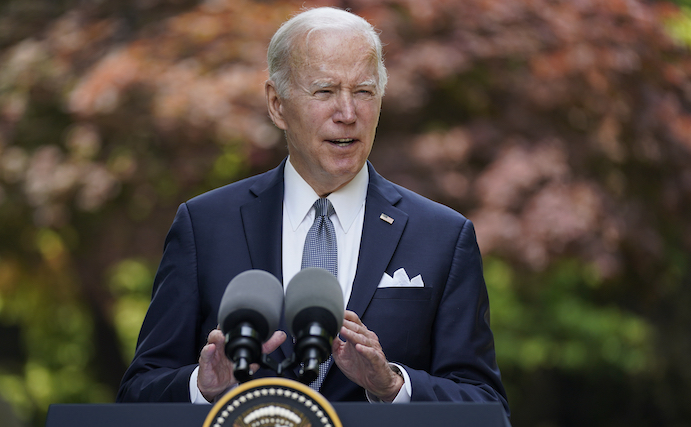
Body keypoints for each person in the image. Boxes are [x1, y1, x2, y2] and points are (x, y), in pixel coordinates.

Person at [116, 6, 509, 414]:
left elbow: (486, 407)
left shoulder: (443, 236)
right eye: (324, 91)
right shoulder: (205, 225)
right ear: (277, 104)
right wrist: (203, 386)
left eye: (364, 91)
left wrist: (392, 386)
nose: (348, 114)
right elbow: (137, 394)